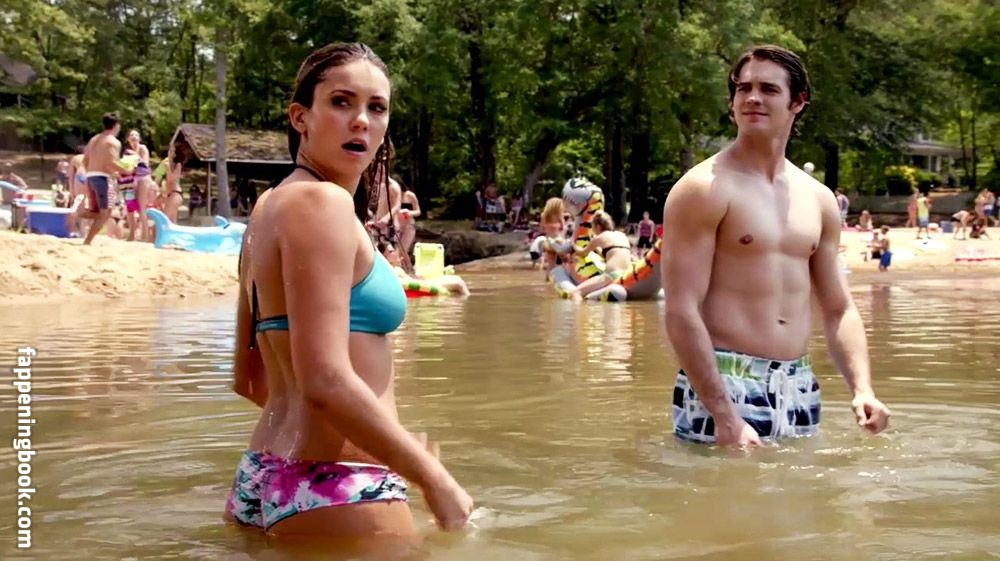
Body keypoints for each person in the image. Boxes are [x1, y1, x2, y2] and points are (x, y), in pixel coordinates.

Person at [226, 42, 472, 540]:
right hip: (341, 486)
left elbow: (248, 378)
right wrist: (432, 476)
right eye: (341, 102)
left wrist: (367, 433)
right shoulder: (324, 204)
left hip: (261, 475)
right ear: (300, 117)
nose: (361, 120)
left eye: (376, 108)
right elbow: (324, 380)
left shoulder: (268, 208)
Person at [661, 45, 890, 448]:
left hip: (798, 384)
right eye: (743, 88)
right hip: (724, 379)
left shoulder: (818, 199)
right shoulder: (703, 189)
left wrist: (862, 389)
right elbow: (681, 309)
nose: (752, 98)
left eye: (768, 89)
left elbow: (838, 309)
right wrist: (724, 415)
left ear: (797, 102)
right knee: (714, 488)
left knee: (798, 489)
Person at [80, 113, 130, 245]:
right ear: (116, 125)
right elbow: (110, 163)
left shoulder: (94, 139)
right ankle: (87, 240)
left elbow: (85, 160)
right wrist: (127, 171)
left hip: (91, 176)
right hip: (103, 178)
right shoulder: (113, 142)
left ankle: (80, 216)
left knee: (104, 212)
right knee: (105, 212)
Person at [566, 211, 633, 302]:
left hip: (612, 275)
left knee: (576, 292)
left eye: (592, 226)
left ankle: (579, 311)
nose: (592, 229)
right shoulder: (622, 235)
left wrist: (573, 244)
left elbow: (582, 253)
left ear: (598, 226)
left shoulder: (599, 237)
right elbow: (611, 253)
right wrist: (597, 248)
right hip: (627, 275)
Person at [398, 178, 421, 253]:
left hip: (408, 225)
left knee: (403, 250)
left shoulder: (410, 195)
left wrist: (409, 213)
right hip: (397, 226)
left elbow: (418, 211)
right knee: (396, 250)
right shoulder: (393, 195)